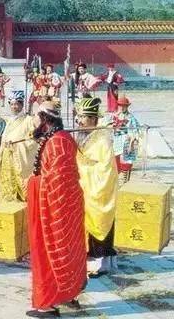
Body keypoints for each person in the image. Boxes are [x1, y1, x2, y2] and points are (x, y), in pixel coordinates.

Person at [25, 101, 86, 318]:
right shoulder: (58, 139)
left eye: (36, 116)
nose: (34, 121)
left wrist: (34, 183)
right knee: (67, 252)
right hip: (62, 207)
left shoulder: (57, 143)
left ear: (45, 119)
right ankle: (68, 295)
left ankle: (48, 304)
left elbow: (58, 183)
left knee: (50, 254)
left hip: (54, 210)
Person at [75, 97, 118, 278]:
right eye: (79, 117)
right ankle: (89, 259)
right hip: (84, 188)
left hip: (97, 189)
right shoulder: (83, 136)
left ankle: (102, 262)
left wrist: (84, 171)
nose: (79, 121)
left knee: (100, 223)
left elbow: (106, 168)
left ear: (93, 119)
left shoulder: (102, 140)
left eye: (83, 117)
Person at [0, 90, 38, 202]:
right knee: (8, 182)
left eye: (17, 104)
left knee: (22, 186)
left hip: (20, 157)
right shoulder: (9, 121)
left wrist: (17, 145)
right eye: (12, 104)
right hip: (7, 155)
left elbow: (34, 140)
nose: (14, 107)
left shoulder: (28, 120)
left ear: (22, 105)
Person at [102, 96, 141, 184]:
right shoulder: (114, 116)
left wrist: (131, 143)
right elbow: (105, 125)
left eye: (124, 106)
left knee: (126, 162)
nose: (122, 107)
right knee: (115, 162)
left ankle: (125, 182)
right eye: (120, 105)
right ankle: (117, 183)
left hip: (126, 140)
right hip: (115, 140)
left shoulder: (131, 118)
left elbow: (135, 131)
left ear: (127, 106)